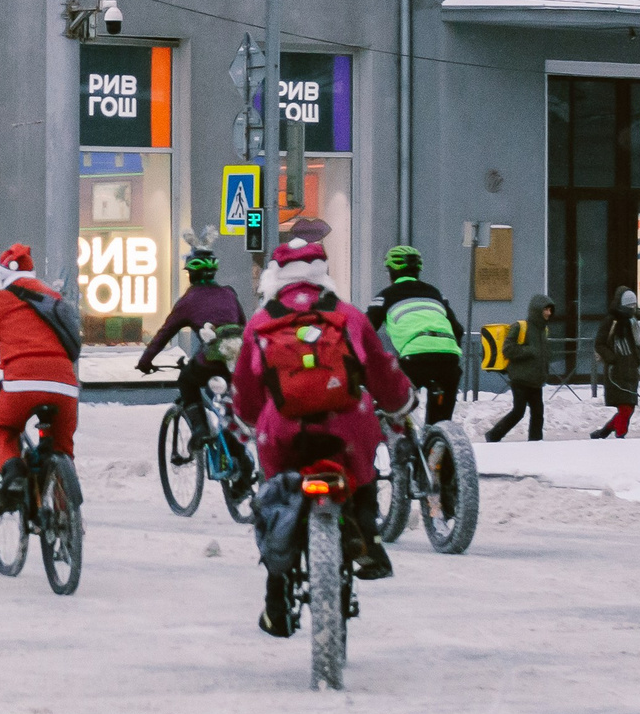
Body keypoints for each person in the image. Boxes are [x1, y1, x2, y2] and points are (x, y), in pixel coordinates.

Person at [233, 224, 416, 635]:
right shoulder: (348, 316)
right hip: (346, 428)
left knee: (278, 498)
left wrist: (247, 423)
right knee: (363, 471)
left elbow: (245, 391)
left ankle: (276, 602)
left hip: (283, 434)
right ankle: (366, 537)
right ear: (323, 274)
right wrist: (402, 405)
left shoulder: (261, 323)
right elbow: (383, 373)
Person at [0, 243, 82, 507]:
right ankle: (66, 522)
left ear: (1, 276)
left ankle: (13, 472)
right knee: (62, 448)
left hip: (22, 384)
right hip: (66, 385)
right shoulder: (53, 298)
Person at [135, 249, 248, 444]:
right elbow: (242, 324)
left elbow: (164, 334)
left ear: (191, 274)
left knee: (187, 379)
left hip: (211, 359)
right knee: (226, 410)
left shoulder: (188, 301)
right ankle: (241, 463)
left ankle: (200, 429)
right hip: (237, 360)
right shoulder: (229, 293)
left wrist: (145, 361)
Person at [367, 245, 466, 425]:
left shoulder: (385, 296)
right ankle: (438, 443)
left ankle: (403, 442)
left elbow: (365, 331)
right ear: (418, 271)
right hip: (449, 359)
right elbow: (458, 329)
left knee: (391, 407)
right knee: (440, 423)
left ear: (390, 272)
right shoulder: (436, 294)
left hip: (415, 360)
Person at [484, 293, 555, 442]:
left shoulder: (544, 331)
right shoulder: (520, 327)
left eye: (550, 310)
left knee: (538, 414)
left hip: (536, 380)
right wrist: (529, 350)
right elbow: (508, 349)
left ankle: (536, 443)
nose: (548, 313)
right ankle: (493, 435)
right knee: (518, 412)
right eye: (545, 309)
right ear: (537, 310)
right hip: (520, 380)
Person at [589, 287, 640, 438]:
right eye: (629, 306)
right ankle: (620, 437)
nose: (632, 309)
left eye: (634, 306)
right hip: (616, 372)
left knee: (629, 408)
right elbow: (599, 344)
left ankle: (605, 431)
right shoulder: (610, 321)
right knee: (625, 409)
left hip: (631, 370)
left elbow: (637, 344)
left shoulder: (631, 322)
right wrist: (612, 358)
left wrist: (638, 360)